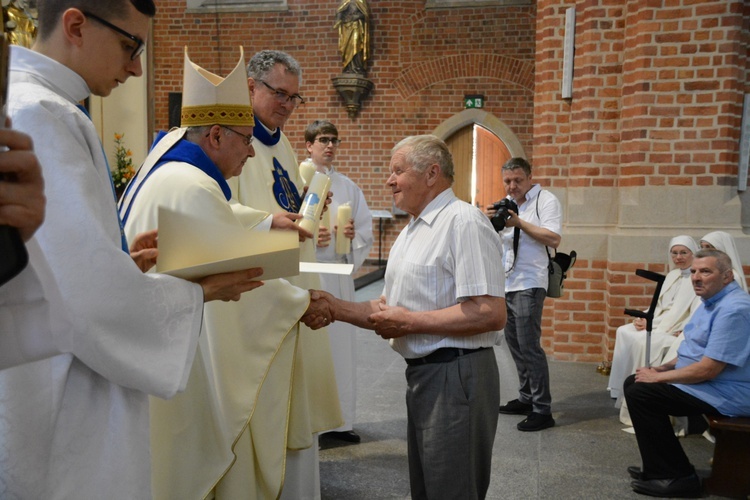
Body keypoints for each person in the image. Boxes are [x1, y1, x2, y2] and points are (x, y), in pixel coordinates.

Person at [0, 2, 264, 497]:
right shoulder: (42, 111)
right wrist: (192, 294)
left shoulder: (46, 104)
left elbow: (46, 267)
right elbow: (87, 301)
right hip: (57, 389)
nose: (138, 67)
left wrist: (124, 263)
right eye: (130, 45)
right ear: (76, 25)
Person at [312, 134, 506, 500]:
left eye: (397, 171)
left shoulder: (462, 223)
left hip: (457, 374)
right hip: (425, 374)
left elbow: (491, 312)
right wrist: (332, 307)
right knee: (429, 487)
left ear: (431, 173)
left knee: (452, 489)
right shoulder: (413, 230)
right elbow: (387, 308)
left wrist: (410, 323)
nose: (389, 180)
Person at [228, 49, 342, 499]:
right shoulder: (232, 137)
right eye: (280, 94)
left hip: (291, 282)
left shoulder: (282, 140)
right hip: (254, 294)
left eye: (296, 98)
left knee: (294, 404)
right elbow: (213, 209)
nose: (288, 106)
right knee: (266, 404)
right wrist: (267, 220)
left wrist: (304, 208)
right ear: (251, 87)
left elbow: (283, 200)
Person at [623, 249, 750, 498]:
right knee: (635, 383)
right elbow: (691, 350)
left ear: (727, 276)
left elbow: (709, 368)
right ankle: (658, 468)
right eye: (693, 271)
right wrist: (661, 368)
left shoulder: (734, 309)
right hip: (709, 384)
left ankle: (679, 476)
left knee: (643, 393)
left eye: (705, 271)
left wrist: (658, 378)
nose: (696, 277)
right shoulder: (711, 300)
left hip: (728, 392)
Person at [305, 119, 373, 443]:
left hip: (339, 273)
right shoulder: (297, 180)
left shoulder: (348, 186)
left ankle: (341, 423)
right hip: (310, 272)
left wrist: (351, 235)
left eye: (334, 140)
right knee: (315, 350)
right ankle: (312, 424)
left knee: (341, 350)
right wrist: (307, 236)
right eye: (322, 140)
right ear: (309, 145)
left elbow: (364, 230)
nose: (329, 145)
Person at [492, 156, 562, 432]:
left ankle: (542, 410)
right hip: (507, 283)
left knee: (529, 346)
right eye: (508, 181)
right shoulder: (507, 205)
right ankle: (526, 397)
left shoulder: (545, 200)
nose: (512, 186)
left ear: (530, 177)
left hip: (530, 283)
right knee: (515, 344)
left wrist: (519, 223)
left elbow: (553, 238)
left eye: (518, 180)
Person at [607, 235, 701, 401]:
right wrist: (645, 317)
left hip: (675, 326)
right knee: (623, 330)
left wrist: (676, 328)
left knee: (643, 341)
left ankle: (639, 391)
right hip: (659, 320)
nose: (678, 257)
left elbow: (694, 313)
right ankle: (618, 388)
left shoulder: (697, 279)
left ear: (694, 253)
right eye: (674, 253)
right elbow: (658, 304)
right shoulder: (672, 275)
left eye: (683, 253)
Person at [334, 0, 371, 75]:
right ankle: (348, 67)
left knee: (356, 45)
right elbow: (339, 12)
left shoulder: (361, 1)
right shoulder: (345, 1)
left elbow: (365, 14)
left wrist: (357, 16)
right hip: (347, 28)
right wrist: (338, 20)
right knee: (347, 47)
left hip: (356, 27)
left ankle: (357, 67)